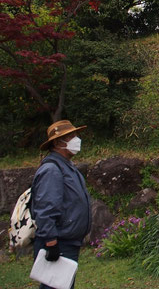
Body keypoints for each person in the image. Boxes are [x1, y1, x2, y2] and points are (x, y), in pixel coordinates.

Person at [31, 120, 91, 288]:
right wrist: (51, 242)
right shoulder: (52, 170)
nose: (76, 139)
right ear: (58, 142)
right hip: (59, 242)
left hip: (68, 241)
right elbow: (45, 208)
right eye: (71, 136)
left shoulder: (66, 167)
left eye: (75, 135)